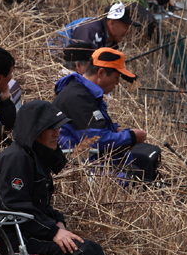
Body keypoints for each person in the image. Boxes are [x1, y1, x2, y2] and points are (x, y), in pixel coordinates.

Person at [0, 100, 110, 255]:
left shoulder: (34, 158)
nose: (57, 133)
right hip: (12, 237)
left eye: (58, 127)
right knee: (80, 253)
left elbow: (38, 207)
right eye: (50, 128)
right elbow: (15, 207)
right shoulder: (16, 159)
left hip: (29, 231)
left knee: (93, 249)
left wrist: (58, 222)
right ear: (34, 130)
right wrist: (53, 232)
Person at [52, 47, 161, 182]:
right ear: (101, 73)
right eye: (116, 77)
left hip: (96, 158)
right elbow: (97, 140)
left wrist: (115, 129)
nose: (117, 83)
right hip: (81, 166)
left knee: (144, 162)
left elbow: (93, 126)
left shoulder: (84, 92)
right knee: (133, 177)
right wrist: (131, 137)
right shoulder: (77, 97)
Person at [62, 1, 134, 72]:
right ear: (112, 23)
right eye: (126, 27)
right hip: (56, 63)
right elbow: (81, 65)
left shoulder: (109, 40)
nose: (128, 32)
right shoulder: (90, 29)